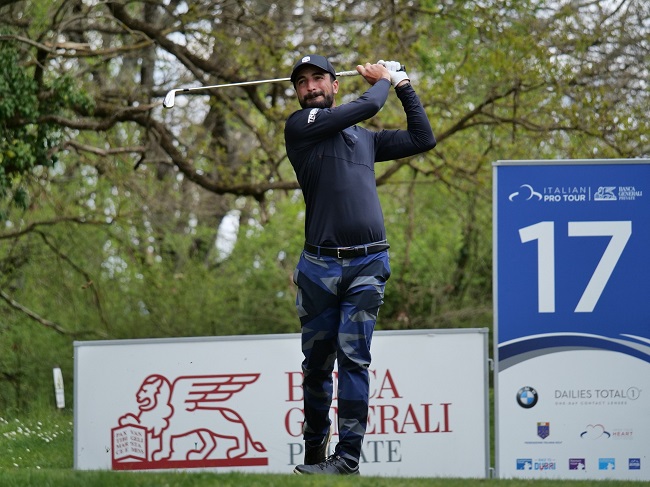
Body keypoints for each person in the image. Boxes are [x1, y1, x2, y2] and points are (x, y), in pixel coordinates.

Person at [285, 54, 436, 475]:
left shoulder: (365, 140)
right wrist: (386, 78)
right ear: (298, 93)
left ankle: (346, 459)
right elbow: (369, 103)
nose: (311, 86)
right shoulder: (301, 128)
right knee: (317, 368)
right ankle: (315, 448)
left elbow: (423, 138)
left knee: (354, 358)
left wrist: (404, 86)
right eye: (302, 82)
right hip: (318, 268)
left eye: (318, 78)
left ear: (335, 85)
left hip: (368, 262)